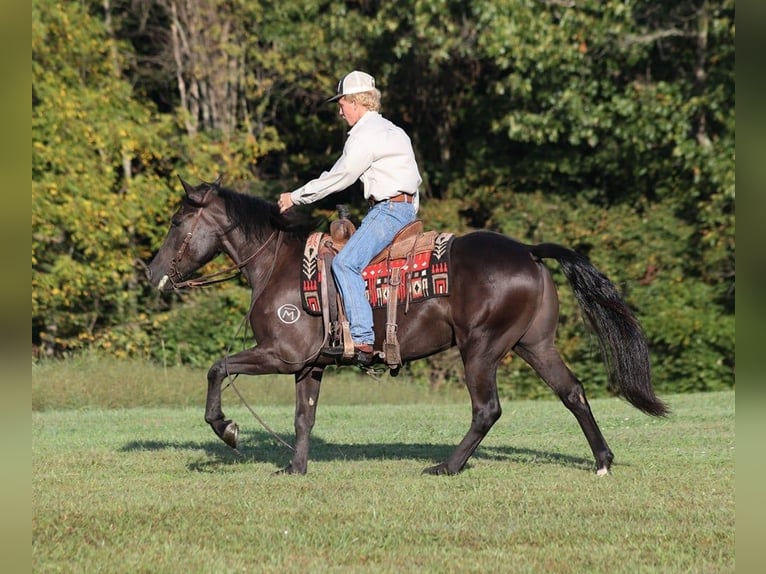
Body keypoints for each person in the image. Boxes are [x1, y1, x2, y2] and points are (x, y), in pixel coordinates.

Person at [278, 70, 422, 366]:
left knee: (345, 263)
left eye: (341, 103)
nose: (340, 111)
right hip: (405, 208)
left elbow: (340, 177)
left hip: (388, 211)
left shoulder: (365, 135)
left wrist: (296, 196)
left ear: (355, 102)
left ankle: (362, 340)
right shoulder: (394, 130)